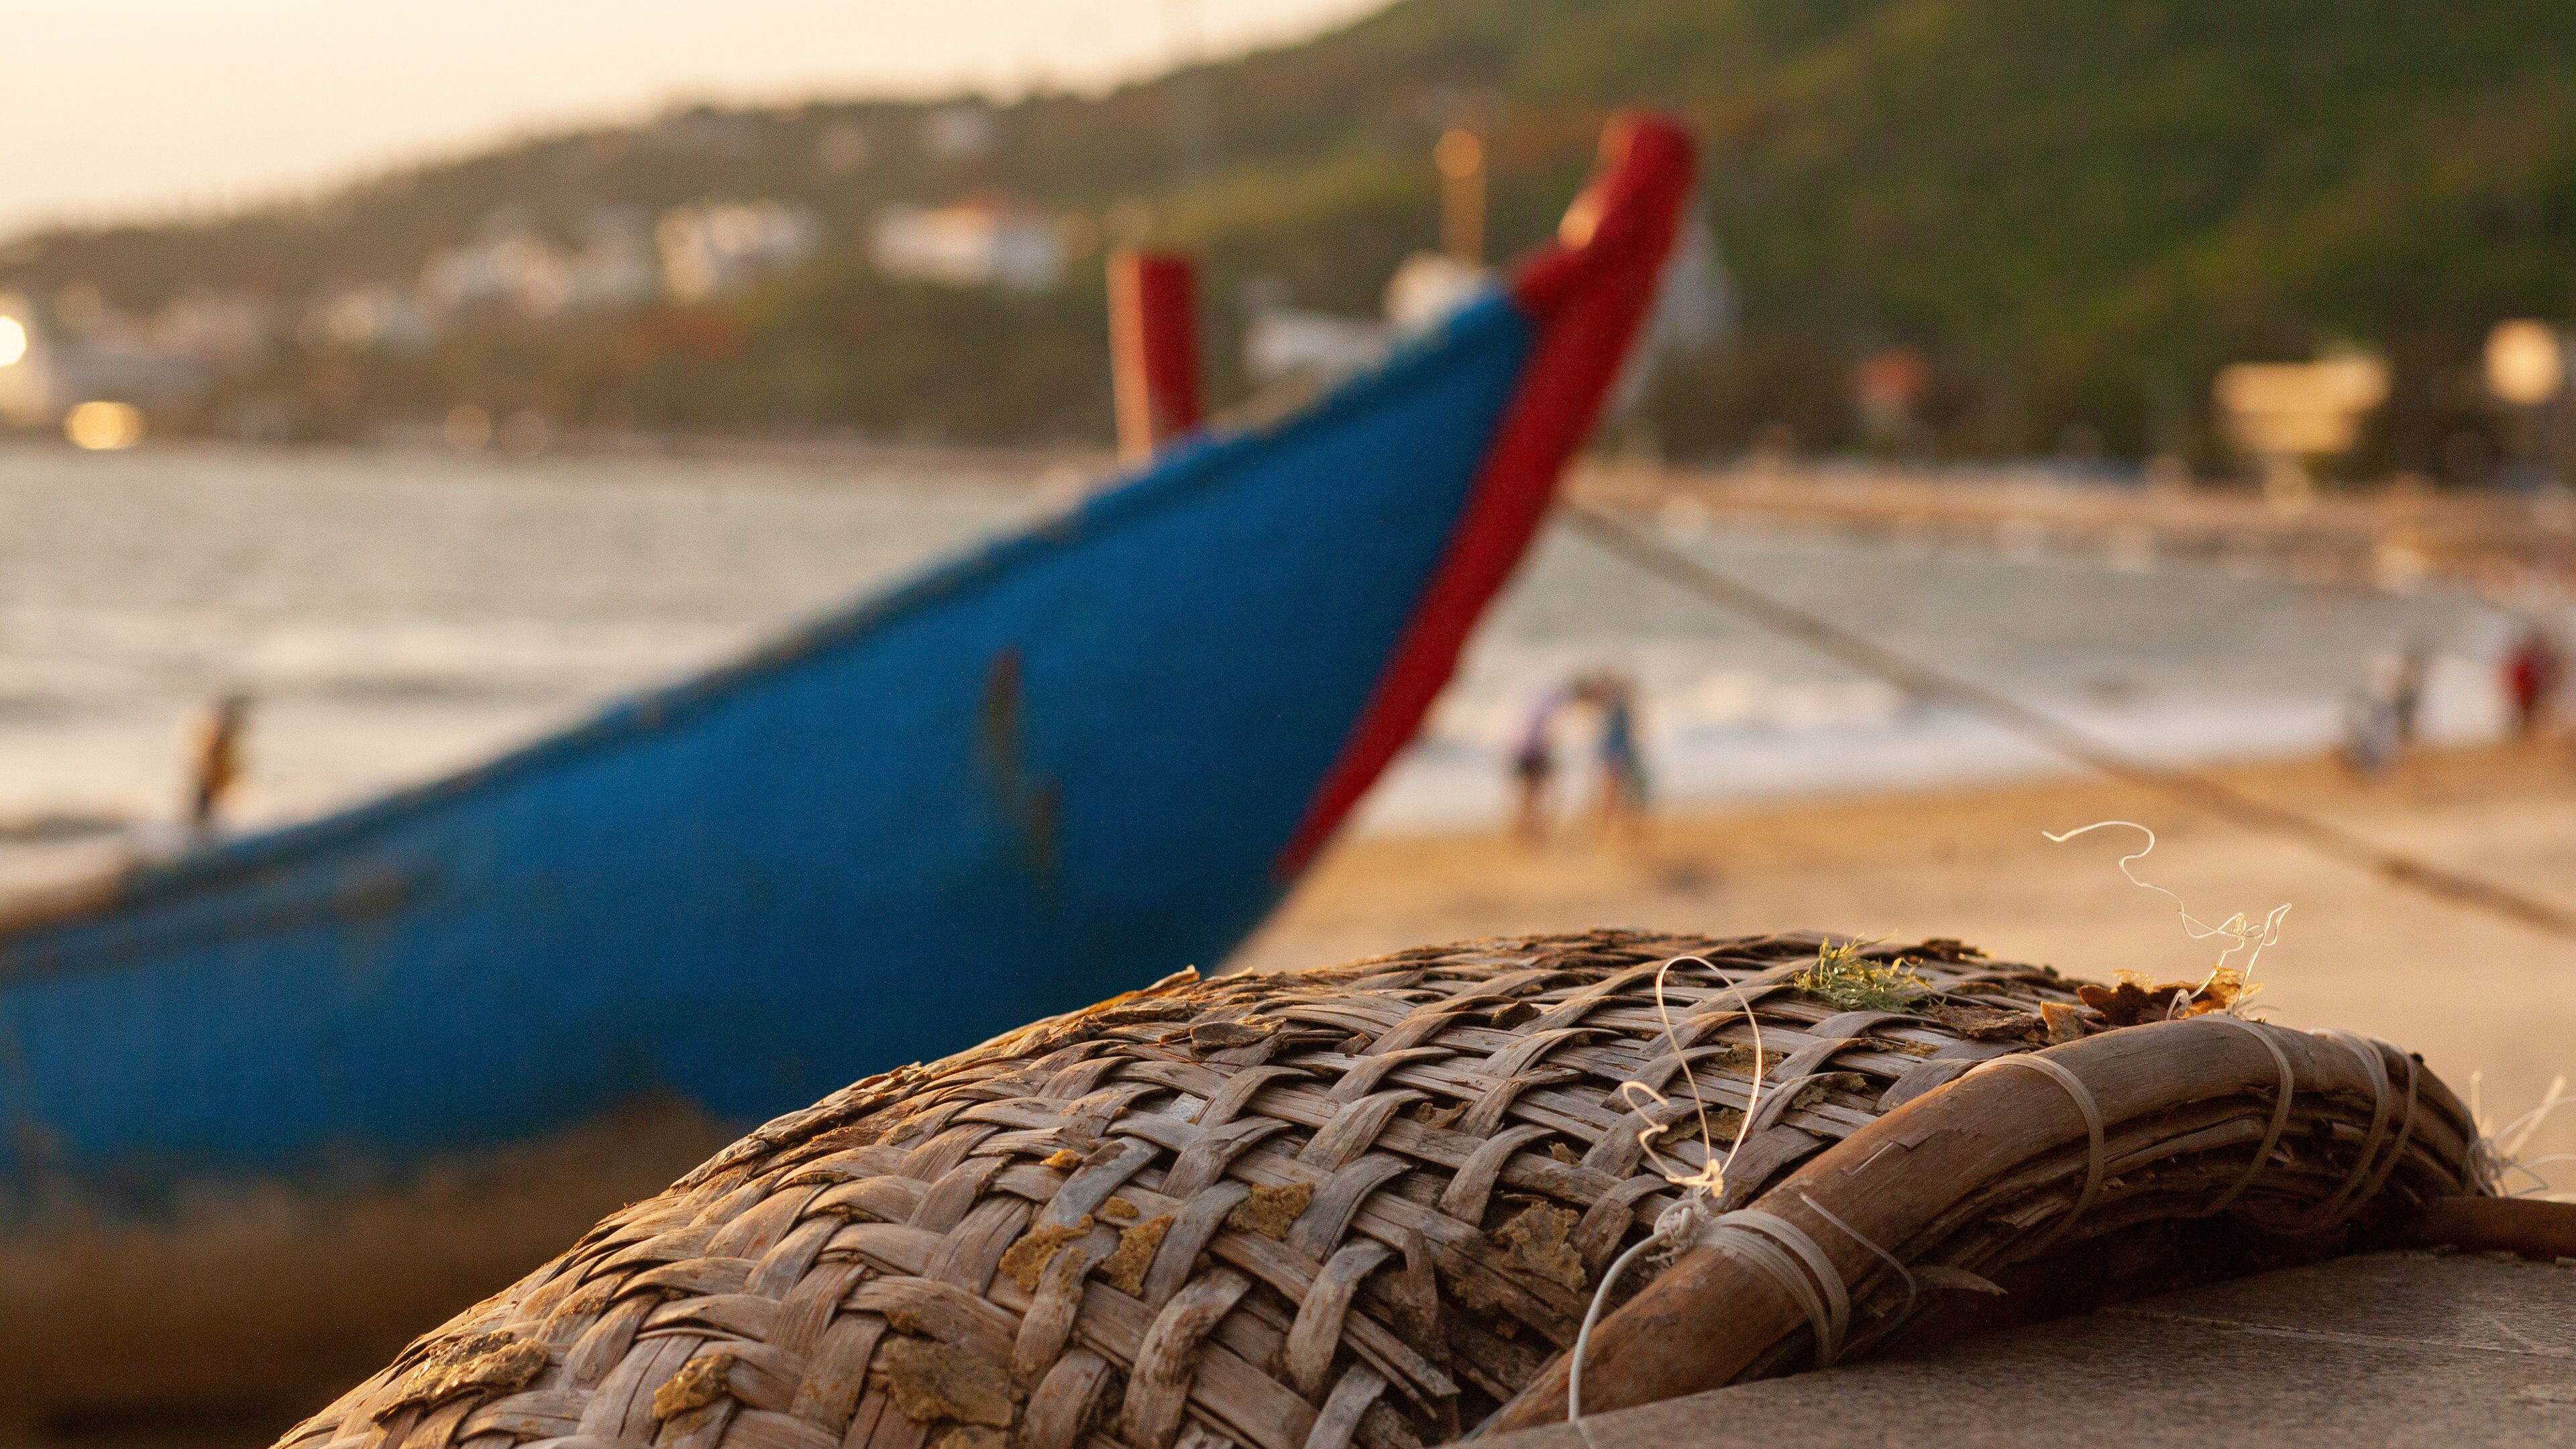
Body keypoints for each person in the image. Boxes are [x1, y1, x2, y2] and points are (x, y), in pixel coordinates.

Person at [1592, 674, 1650, 839]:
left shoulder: (1614, 706)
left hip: (1617, 753)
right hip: (1618, 754)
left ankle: (1613, 828)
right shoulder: (1618, 706)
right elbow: (1622, 735)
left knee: (1617, 793)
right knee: (1615, 792)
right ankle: (1609, 828)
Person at [186, 692, 251, 833]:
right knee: (203, 822)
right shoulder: (217, 739)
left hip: (210, 802)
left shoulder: (220, 737)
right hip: (206, 800)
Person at [1509, 688, 1565, 844]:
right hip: (1533, 754)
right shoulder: (1547, 712)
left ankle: (1522, 830)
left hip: (1521, 751)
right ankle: (1530, 831)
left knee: (1527, 795)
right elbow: (1546, 738)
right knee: (1535, 793)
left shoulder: (1532, 711)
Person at [2505, 625, 2562, 741]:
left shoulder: (2526, 661)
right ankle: (2524, 737)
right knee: (2526, 714)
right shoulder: (2526, 662)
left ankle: (2525, 737)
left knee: (2527, 715)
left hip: (2528, 690)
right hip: (2526, 691)